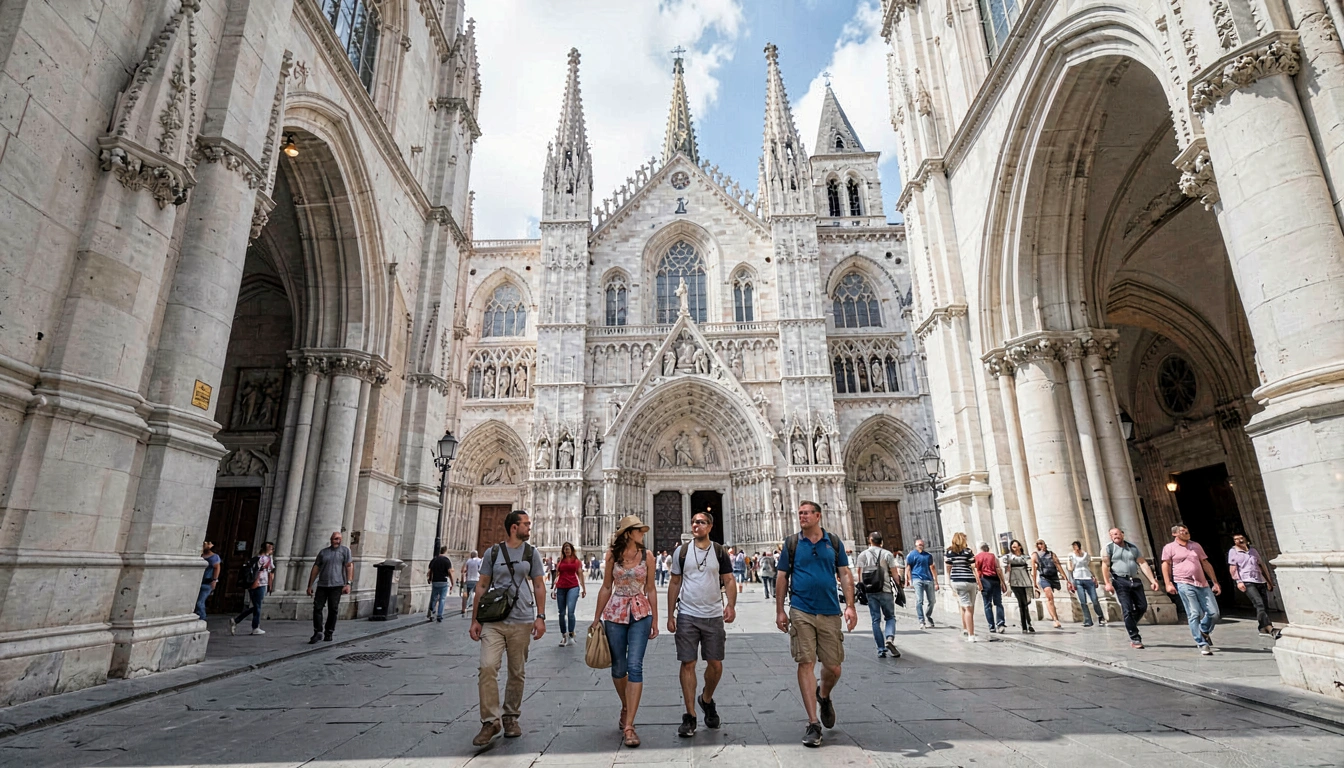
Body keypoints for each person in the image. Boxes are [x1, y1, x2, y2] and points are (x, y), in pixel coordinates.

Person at [774, 501, 857, 748]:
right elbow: (781, 576)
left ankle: (824, 695)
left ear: (818, 516)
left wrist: (850, 605)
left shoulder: (833, 542)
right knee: (806, 662)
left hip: (830, 610)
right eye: (799, 513)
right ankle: (813, 723)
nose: (802, 516)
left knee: (834, 668)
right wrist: (780, 610)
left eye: (806, 512)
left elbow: (844, 573)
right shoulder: (791, 543)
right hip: (801, 609)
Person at [469, 510, 547, 746]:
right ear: (514, 527)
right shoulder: (492, 553)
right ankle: (490, 721)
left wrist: (541, 616)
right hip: (494, 620)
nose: (529, 528)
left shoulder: (531, 553)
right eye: (526, 524)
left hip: (522, 618)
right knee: (487, 667)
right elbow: (482, 586)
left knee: (517, 672)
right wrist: (475, 620)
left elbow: (540, 585)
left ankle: (511, 717)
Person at [667, 511, 736, 737]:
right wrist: (670, 614)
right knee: (688, 662)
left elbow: (729, 579)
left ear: (710, 526)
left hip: (713, 614)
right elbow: (675, 582)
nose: (697, 525)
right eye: (695, 522)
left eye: (702, 522)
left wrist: (731, 605)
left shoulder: (719, 551)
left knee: (715, 664)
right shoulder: (682, 552)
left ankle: (706, 698)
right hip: (687, 613)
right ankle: (690, 716)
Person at [592, 515, 658, 748]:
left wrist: (656, 620)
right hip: (615, 612)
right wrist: (595, 617)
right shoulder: (612, 555)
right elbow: (606, 586)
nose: (643, 533)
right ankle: (626, 705)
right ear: (629, 533)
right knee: (619, 667)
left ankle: (629, 725)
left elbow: (651, 588)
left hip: (641, 613)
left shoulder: (648, 556)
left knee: (634, 665)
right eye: (639, 530)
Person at [1161, 524, 1222, 655]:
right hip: (1183, 582)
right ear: (1175, 534)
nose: (1187, 533)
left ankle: (1204, 630)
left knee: (1214, 613)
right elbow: (1165, 565)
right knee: (1194, 613)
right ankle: (1202, 643)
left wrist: (1215, 582)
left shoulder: (1196, 546)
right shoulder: (1169, 548)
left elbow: (1205, 563)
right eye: (1183, 531)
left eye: (1187, 531)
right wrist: (1168, 583)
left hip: (1202, 583)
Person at [1100, 527, 1160, 649]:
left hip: (1135, 580)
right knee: (1126, 609)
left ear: (1122, 534)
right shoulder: (1108, 549)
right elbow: (1105, 566)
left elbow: (1142, 563)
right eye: (1112, 535)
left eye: (1116, 533)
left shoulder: (1132, 548)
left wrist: (1152, 580)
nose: (1115, 536)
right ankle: (1135, 638)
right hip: (1120, 580)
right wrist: (1107, 583)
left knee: (1142, 606)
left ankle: (1130, 624)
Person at [855, 531, 902, 658]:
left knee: (875, 620)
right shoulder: (887, 554)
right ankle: (889, 638)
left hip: (871, 591)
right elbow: (895, 573)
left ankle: (881, 649)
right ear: (881, 542)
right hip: (885, 589)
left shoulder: (863, 555)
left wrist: (861, 589)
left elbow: (859, 574)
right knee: (890, 617)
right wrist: (899, 586)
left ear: (870, 540)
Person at [1228, 534, 1281, 639]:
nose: (1239, 540)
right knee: (1259, 603)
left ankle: (1262, 628)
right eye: (1235, 539)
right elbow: (1233, 568)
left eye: (1240, 538)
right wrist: (1238, 581)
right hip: (1247, 580)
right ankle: (1269, 627)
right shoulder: (1233, 552)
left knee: (1264, 605)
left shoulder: (1253, 551)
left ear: (1246, 539)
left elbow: (1261, 565)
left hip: (1259, 580)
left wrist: (1269, 581)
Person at [306, 532, 352, 643]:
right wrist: (310, 585)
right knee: (317, 608)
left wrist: (348, 583)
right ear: (331, 539)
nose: (338, 541)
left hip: (337, 585)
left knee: (333, 609)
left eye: (340, 539)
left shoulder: (345, 551)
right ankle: (318, 632)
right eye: (336, 539)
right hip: (322, 584)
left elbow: (349, 566)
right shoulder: (323, 553)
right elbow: (316, 568)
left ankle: (329, 632)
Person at [230, 541, 275, 635]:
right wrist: (269, 585)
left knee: (256, 606)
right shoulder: (266, 559)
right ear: (268, 549)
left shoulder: (255, 558)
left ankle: (237, 620)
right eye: (272, 548)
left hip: (252, 583)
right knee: (257, 606)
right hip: (260, 584)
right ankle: (254, 627)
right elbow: (269, 572)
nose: (273, 550)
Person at [945, 533, 980, 642]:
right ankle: (968, 630)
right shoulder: (968, 551)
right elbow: (973, 565)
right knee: (970, 607)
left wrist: (950, 581)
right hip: (970, 580)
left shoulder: (950, 552)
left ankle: (970, 633)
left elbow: (948, 567)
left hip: (957, 581)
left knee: (965, 607)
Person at [552, 541, 586, 646]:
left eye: (568, 548)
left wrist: (583, 588)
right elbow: (557, 575)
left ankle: (571, 634)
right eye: (565, 548)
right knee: (561, 613)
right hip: (561, 587)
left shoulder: (576, 561)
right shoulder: (560, 561)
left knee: (570, 612)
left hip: (573, 587)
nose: (566, 550)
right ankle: (564, 635)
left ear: (571, 550)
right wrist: (554, 588)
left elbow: (580, 574)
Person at [1067, 540, 1105, 627]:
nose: (1075, 548)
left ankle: (1100, 616)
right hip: (1078, 579)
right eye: (1074, 546)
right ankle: (1088, 620)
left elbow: (1090, 566)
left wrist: (1094, 576)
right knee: (1083, 601)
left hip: (1088, 578)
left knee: (1094, 599)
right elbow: (1070, 569)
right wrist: (1070, 563)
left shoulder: (1086, 555)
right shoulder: (1071, 555)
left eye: (1076, 546)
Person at [1030, 539, 1066, 629]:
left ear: (1044, 544)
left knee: (1051, 598)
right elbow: (1033, 570)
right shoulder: (1035, 555)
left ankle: (1054, 615)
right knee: (1049, 596)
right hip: (1044, 578)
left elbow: (1058, 565)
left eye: (1041, 543)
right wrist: (1034, 583)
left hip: (1054, 577)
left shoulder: (1051, 554)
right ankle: (1055, 619)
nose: (1040, 546)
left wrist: (1065, 577)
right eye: (1038, 544)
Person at [974, 542, 1007, 634]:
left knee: (987, 604)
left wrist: (979, 584)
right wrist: (1003, 583)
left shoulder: (977, 557)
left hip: (984, 580)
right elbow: (999, 570)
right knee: (998, 603)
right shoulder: (993, 557)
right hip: (995, 580)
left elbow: (976, 571)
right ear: (987, 548)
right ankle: (1000, 624)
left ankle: (991, 626)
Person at [905, 538, 938, 628]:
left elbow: (932, 568)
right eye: (919, 544)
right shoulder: (911, 555)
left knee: (932, 601)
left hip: (928, 579)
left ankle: (928, 616)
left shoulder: (928, 555)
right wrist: (908, 580)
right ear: (916, 545)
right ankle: (921, 619)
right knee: (919, 600)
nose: (921, 545)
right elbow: (908, 568)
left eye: (922, 544)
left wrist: (936, 582)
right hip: (917, 579)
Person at [1004, 540, 1035, 633]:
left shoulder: (1025, 557)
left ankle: (1028, 622)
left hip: (1026, 582)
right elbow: (1005, 567)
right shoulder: (1009, 557)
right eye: (1012, 545)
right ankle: (1025, 625)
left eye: (1015, 544)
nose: (1013, 546)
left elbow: (1031, 569)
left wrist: (1034, 582)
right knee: (1021, 603)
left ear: (1020, 546)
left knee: (1026, 603)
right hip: (1015, 582)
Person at [427, 546, 455, 623]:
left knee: (434, 597)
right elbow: (449, 572)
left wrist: (430, 578)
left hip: (435, 580)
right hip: (444, 581)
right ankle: (439, 615)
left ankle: (432, 613)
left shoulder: (434, 559)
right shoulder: (446, 560)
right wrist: (452, 582)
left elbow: (430, 571)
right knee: (442, 599)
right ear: (446, 551)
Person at [195, 541, 221, 622]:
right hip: (198, 581)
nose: (204, 545)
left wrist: (214, 580)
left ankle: (202, 618)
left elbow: (217, 568)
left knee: (200, 602)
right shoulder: (201, 555)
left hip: (207, 582)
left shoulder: (214, 557)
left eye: (207, 544)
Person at [461, 550, 482, 616]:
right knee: (477, 594)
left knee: (465, 594)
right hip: (476, 579)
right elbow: (481, 570)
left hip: (468, 579)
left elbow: (463, 570)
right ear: (477, 554)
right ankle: (475, 607)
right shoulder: (480, 561)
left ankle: (464, 608)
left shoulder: (468, 561)